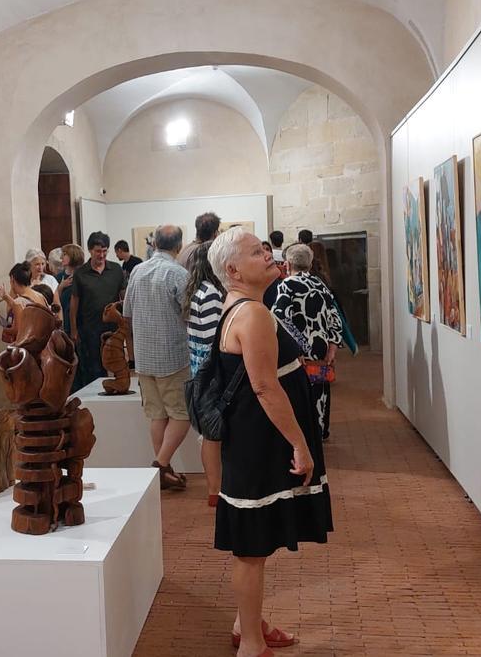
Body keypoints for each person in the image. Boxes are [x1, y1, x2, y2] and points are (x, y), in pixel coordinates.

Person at [207, 227, 332, 657]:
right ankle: (252, 644)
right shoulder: (252, 314)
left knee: (255, 542)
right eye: (256, 251)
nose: (267, 254)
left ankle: (249, 624)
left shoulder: (244, 307)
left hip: (254, 437)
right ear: (232, 269)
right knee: (251, 546)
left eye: (265, 247)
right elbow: (265, 387)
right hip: (260, 440)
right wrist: (300, 443)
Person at [123, 224, 190, 491]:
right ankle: (160, 466)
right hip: (172, 355)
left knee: (157, 415)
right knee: (182, 414)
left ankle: (165, 468)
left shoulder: (138, 271)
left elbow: (126, 312)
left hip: (145, 356)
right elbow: (189, 314)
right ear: (178, 246)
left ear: (155, 243)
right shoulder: (178, 273)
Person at [271, 244, 351, 440]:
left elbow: (280, 316)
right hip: (321, 352)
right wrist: (332, 347)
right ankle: (320, 430)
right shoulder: (319, 283)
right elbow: (335, 318)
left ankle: (304, 437)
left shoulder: (287, 285)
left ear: (287, 264)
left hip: (299, 356)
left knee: (299, 395)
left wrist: (299, 346)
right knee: (320, 391)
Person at [183, 242, 226, 506]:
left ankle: (215, 489)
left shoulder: (198, 290)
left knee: (210, 435)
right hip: (210, 374)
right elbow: (214, 340)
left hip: (201, 370)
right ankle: (215, 490)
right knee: (212, 435)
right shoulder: (209, 293)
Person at [69, 232, 126, 389]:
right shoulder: (80, 273)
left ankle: (117, 395)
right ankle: (97, 399)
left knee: (117, 363)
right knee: (94, 367)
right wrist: (74, 329)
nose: (101, 255)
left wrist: (126, 322)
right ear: (90, 250)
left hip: (114, 328)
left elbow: (123, 297)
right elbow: (74, 302)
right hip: (90, 328)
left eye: (104, 251)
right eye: (97, 251)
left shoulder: (116, 270)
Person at [0, 262, 48, 342]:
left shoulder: (18, 302)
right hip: (43, 341)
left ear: (12, 279)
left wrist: (5, 330)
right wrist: (7, 298)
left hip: (29, 345)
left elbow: (18, 330)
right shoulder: (40, 296)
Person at [56, 243, 85, 337]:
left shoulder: (83, 276)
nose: (61, 257)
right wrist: (61, 287)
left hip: (81, 322)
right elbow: (55, 301)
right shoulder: (59, 277)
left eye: (64, 254)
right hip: (64, 320)